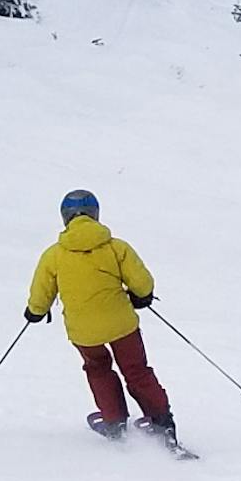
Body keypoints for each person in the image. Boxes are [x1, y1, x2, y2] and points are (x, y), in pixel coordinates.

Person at [26, 189, 172, 441]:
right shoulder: (116, 247)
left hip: (84, 331)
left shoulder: (54, 255)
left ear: (65, 217)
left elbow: (41, 295)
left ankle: (115, 424)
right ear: (95, 214)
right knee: (137, 370)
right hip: (122, 324)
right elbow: (142, 283)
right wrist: (142, 296)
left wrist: (34, 312)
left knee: (98, 369)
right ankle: (162, 424)